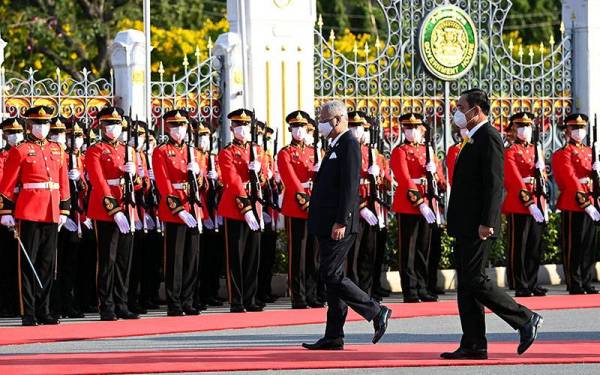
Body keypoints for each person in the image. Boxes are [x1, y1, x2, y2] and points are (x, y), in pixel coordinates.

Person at [444, 89, 542, 360]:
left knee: (475, 279)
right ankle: (474, 343)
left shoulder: (489, 137)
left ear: (476, 110)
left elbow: (494, 184)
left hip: (478, 225)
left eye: (461, 106)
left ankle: (525, 319)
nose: (457, 111)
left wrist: (488, 221)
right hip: (465, 224)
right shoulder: (473, 138)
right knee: (466, 284)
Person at [303, 100, 391, 351]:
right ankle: (333, 335)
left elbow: (350, 186)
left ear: (337, 119)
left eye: (323, 119)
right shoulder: (335, 144)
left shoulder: (349, 144)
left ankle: (376, 311)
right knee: (333, 278)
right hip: (326, 222)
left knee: (331, 274)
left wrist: (342, 219)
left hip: (338, 223)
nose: (319, 123)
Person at [0, 106, 70, 326]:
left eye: (46, 123)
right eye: (37, 123)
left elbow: (63, 182)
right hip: (29, 211)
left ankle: (44, 309)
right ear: (29, 125)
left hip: (51, 211)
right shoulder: (20, 150)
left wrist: (65, 209)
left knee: (48, 264)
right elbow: (8, 183)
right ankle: (28, 311)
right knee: (28, 264)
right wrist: (5, 210)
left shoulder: (57, 149)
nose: (42, 127)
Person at [86, 106, 140, 321]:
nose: (113, 128)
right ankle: (106, 305)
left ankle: (122, 303)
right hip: (105, 209)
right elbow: (98, 182)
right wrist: (114, 210)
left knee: (124, 259)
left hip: (127, 206)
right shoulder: (95, 150)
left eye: (116, 124)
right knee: (107, 258)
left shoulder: (129, 150)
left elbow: (137, 185)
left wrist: (134, 175)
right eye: (109, 124)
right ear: (101, 126)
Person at [153, 109, 204, 316]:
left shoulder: (194, 152)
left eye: (181, 126)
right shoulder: (161, 151)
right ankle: (174, 302)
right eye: (174, 126)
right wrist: (179, 210)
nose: (178, 130)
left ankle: (188, 299)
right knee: (175, 258)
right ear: (167, 128)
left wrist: (198, 174)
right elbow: (164, 185)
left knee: (192, 256)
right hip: (175, 210)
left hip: (193, 207)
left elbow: (202, 185)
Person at [390, 113, 444, 303]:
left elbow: (440, 179)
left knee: (424, 248)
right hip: (409, 205)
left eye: (415, 128)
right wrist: (419, 203)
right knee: (409, 249)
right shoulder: (400, 151)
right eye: (408, 128)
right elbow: (404, 179)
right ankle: (410, 289)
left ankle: (423, 286)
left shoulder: (427, 150)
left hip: (428, 204)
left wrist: (435, 173)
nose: (412, 131)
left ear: (423, 129)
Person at [218, 109, 265, 313]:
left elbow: (263, 180)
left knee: (252, 255)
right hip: (235, 208)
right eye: (238, 126)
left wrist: (259, 172)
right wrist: (245, 208)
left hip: (255, 205)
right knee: (235, 255)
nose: (242, 129)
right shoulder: (227, 152)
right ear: (231, 128)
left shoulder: (258, 150)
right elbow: (232, 180)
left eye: (245, 125)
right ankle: (236, 300)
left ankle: (250, 297)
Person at [278, 110, 322, 309]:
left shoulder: (315, 152)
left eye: (302, 127)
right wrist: (304, 200)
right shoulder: (285, 153)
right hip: (296, 206)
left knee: (314, 252)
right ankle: (298, 295)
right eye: (295, 127)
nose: (299, 131)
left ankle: (313, 294)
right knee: (298, 253)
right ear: (290, 129)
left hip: (316, 203)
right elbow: (290, 179)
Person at [552, 113, 600, 294]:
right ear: (567, 131)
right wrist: (585, 203)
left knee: (589, 244)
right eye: (575, 128)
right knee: (574, 245)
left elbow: (593, 178)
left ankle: (587, 280)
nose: (579, 131)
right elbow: (569, 178)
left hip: (592, 200)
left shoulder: (589, 151)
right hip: (574, 202)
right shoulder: (563, 153)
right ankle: (574, 281)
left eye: (582, 128)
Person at [502, 112, 548, 297]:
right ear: (513, 129)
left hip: (537, 199)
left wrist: (540, 172)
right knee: (519, 245)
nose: (525, 129)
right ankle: (519, 282)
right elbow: (513, 179)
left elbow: (544, 177)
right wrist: (529, 202)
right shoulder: (511, 151)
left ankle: (532, 281)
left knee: (534, 244)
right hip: (519, 203)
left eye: (528, 126)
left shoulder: (537, 150)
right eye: (521, 126)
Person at [0, 117, 25, 318]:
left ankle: (21, 303)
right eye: (10, 133)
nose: (14, 136)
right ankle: (6, 302)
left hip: (24, 208)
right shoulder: (2, 156)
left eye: (17, 132)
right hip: (5, 211)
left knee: (23, 259)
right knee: (6, 260)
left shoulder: (26, 152)